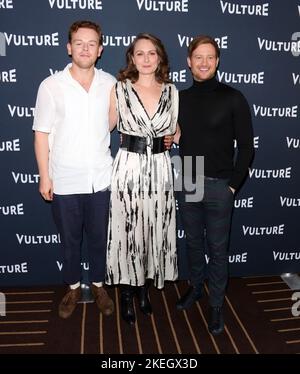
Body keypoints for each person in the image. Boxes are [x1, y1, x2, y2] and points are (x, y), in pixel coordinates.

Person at [33, 20, 115, 319]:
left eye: (91, 43)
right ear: (69, 47)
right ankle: (71, 287)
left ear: (100, 49)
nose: (85, 48)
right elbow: (41, 132)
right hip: (65, 179)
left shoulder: (110, 84)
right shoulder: (51, 85)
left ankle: (97, 285)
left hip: (101, 178)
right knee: (70, 241)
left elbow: (111, 121)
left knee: (98, 238)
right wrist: (45, 176)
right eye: (79, 42)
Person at [175, 35, 254, 335]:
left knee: (218, 250)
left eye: (210, 57)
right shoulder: (180, 98)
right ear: (189, 61)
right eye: (198, 57)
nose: (204, 62)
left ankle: (216, 304)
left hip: (221, 181)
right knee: (193, 242)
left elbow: (247, 147)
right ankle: (196, 288)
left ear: (217, 61)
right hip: (190, 175)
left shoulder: (233, 97)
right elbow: (182, 136)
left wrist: (233, 186)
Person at [106, 33, 178, 325]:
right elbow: (103, 127)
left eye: (152, 53)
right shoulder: (119, 89)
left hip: (160, 169)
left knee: (153, 230)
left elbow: (175, 128)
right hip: (129, 168)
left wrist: (173, 136)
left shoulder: (172, 91)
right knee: (128, 231)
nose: (146, 59)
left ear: (159, 57)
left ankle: (144, 289)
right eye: (140, 54)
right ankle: (126, 293)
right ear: (131, 58)